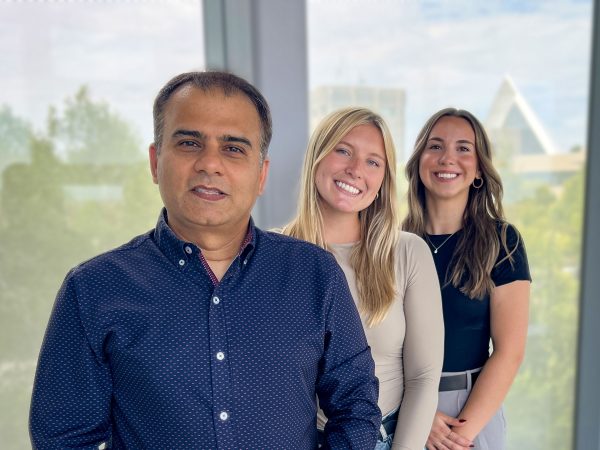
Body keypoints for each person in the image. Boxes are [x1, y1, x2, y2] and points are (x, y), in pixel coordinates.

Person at [29, 71, 382, 449]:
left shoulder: (316, 275)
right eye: (189, 143)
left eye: (233, 148)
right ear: (155, 161)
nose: (210, 164)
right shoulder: (94, 289)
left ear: (261, 175)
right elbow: (62, 438)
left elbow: (356, 407)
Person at [281, 107, 444, 450]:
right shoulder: (272, 256)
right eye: (343, 151)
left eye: (374, 162)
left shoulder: (407, 253)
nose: (356, 170)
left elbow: (423, 377)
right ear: (317, 157)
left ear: (384, 179)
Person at [402, 108, 531, 450]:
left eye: (463, 148)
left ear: (478, 169)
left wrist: (458, 437)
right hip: (400, 405)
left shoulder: (502, 242)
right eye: (435, 146)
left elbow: (509, 351)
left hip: (470, 412)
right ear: (419, 161)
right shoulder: (391, 242)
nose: (448, 159)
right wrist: (417, 413)